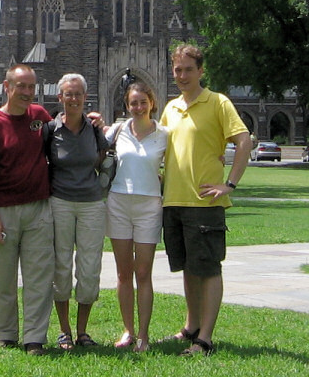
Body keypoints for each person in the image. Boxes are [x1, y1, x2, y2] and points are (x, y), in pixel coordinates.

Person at [160, 44, 251, 357]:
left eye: (189, 69)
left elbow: (244, 141)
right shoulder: (171, 108)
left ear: (201, 70)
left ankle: (206, 339)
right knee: (188, 267)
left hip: (205, 204)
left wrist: (230, 184)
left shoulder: (218, 102)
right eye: (178, 70)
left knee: (209, 269)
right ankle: (191, 326)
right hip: (173, 201)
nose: (182, 75)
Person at [0, 64, 54, 355]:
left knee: (39, 279)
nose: (27, 92)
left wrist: (93, 121)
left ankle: (34, 338)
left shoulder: (40, 116)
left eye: (31, 86)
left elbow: (66, 132)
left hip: (38, 210)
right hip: (4, 212)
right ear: (7, 87)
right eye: (21, 86)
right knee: (3, 278)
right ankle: (5, 334)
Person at [47, 73, 108, 350]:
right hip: (60, 202)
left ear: (85, 97)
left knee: (89, 267)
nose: (73, 98)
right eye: (68, 94)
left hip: (91, 204)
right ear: (60, 97)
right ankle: (64, 331)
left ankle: (82, 331)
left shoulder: (94, 128)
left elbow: (102, 157)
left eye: (78, 94)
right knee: (61, 265)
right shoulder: (51, 129)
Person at [105, 82, 168, 353]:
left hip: (149, 206)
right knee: (123, 273)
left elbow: (183, 159)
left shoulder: (164, 134)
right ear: (127, 105)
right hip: (118, 202)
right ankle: (128, 331)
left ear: (152, 103)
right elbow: (93, 143)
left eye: (143, 102)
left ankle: (143, 335)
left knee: (143, 273)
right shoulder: (117, 130)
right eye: (133, 103)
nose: (138, 107)